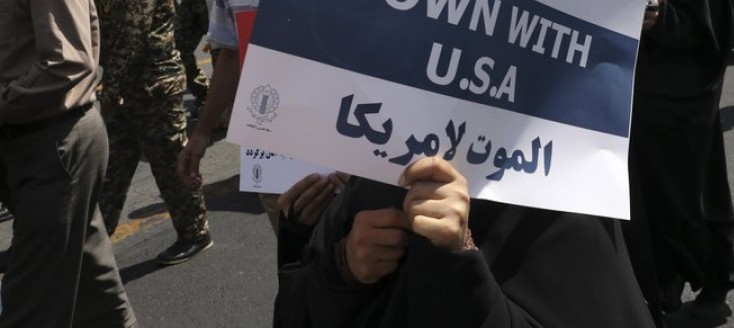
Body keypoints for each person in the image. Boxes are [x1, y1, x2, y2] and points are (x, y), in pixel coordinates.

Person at [590, 0, 734, 323]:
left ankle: (713, 282)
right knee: (640, 201)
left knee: (685, 198)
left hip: (679, 102)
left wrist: (663, 19)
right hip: (626, 96)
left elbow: (711, 27)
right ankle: (658, 287)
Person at [273, 157, 654, 328]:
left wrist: (460, 261)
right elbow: (294, 310)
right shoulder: (372, 175)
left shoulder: (562, 183)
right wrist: (343, 268)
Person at [0, 0, 136, 326]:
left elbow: (69, 64)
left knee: (29, 300)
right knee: (91, 281)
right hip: (23, 141)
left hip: (56, 140)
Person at [177, 0, 340, 233]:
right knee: (294, 265)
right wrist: (201, 133)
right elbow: (230, 54)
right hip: (272, 149)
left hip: (335, 151)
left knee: (356, 268)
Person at [61, 0, 212, 266]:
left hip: (152, 86)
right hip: (127, 88)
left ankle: (195, 233)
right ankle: (91, 241)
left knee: (171, 164)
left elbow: (131, 33)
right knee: (110, 171)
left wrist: (107, 92)